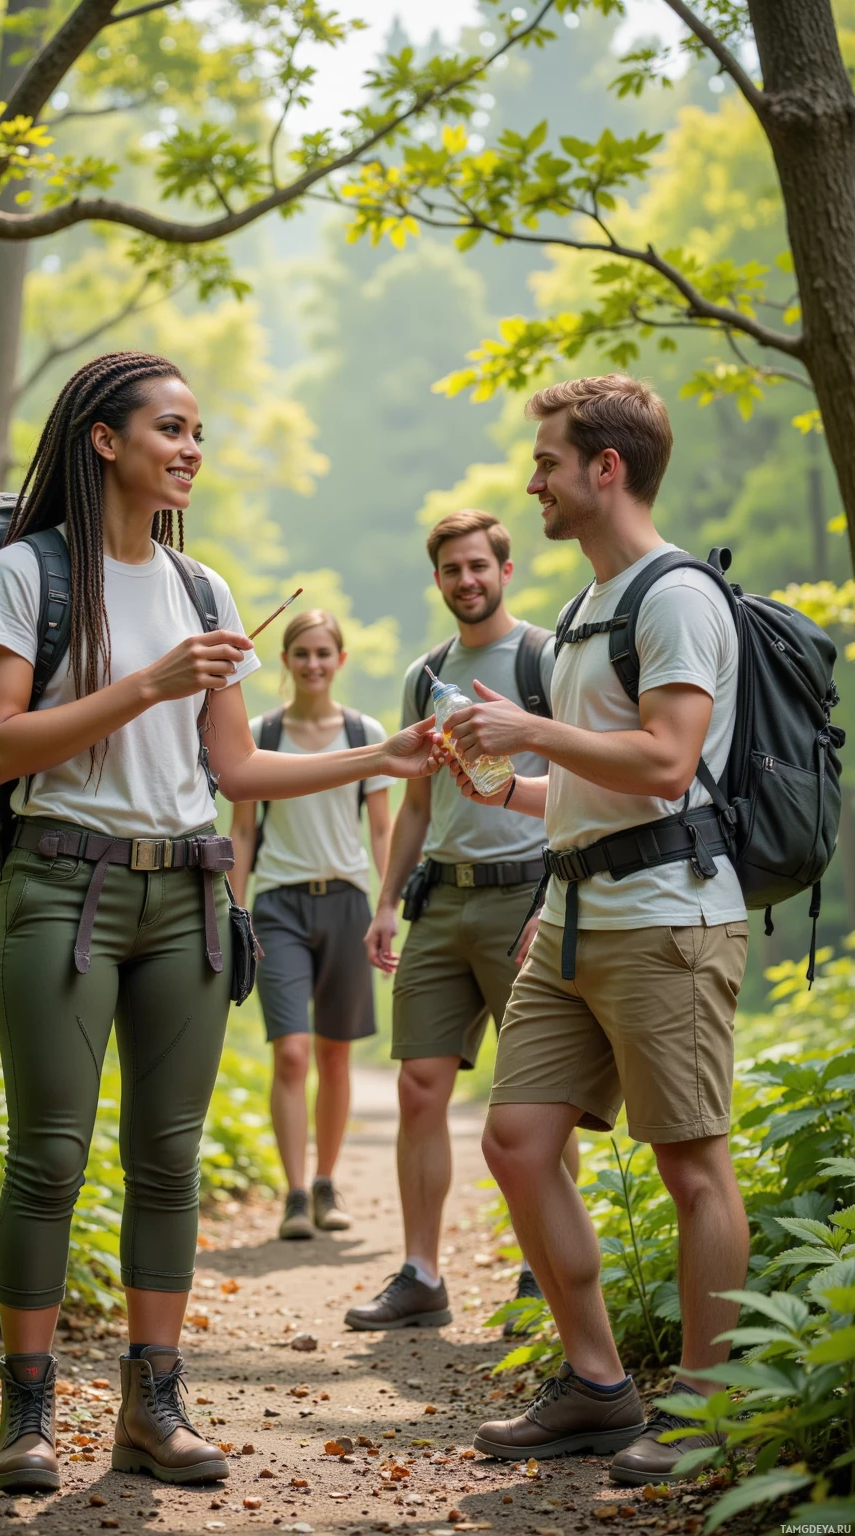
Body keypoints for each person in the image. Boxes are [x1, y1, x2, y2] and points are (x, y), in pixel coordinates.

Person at [0, 351, 440, 1494]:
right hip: (60, 889)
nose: (189, 449)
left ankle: (153, 1402)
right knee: (49, 1158)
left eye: (199, 434)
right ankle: (24, 1419)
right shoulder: (25, 575)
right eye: (170, 428)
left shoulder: (205, 589)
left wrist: (380, 754)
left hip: (189, 896)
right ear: (104, 440)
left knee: (168, 1161)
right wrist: (148, 684)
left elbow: (233, 762)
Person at [443, 376, 749, 1484]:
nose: (533, 481)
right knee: (519, 1142)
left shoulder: (674, 597)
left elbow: (669, 763)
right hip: (571, 915)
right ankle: (598, 1386)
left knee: (691, 1167)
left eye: (546, 462)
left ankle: (709, 1414)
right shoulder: (585, 608)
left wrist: (528, 727)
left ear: (603, 469)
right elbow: (592, 784)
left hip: (668, 921)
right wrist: (502, 788)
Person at [346, 509, 578, 1333]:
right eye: (452, 569)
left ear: (504, 569)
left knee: (544, 1092)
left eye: (480, 565)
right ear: (438, 579)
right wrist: (384, 900)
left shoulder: (548, 657)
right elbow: (416, 802)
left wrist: (558, 896)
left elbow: (583, 786)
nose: (467, 580)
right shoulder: (427, 674)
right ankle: (420, 1273)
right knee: (418, 1087)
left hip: (529, 894)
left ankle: (541, 1271)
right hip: (440, 901)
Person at [230, 609, 393, 1240]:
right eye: (302, 653)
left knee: (334, 1052)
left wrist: (387, 903)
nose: (314, 664)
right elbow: (241, 831)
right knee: (292, 1053)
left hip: (348, 902)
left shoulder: (365, 731)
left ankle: (327, 1182)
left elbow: (381, 828)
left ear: (340, 660)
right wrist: (234, 912)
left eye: (324, 653)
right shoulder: (259, 733)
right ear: (286, 660)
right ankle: (294, 1193)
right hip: (277, 906)